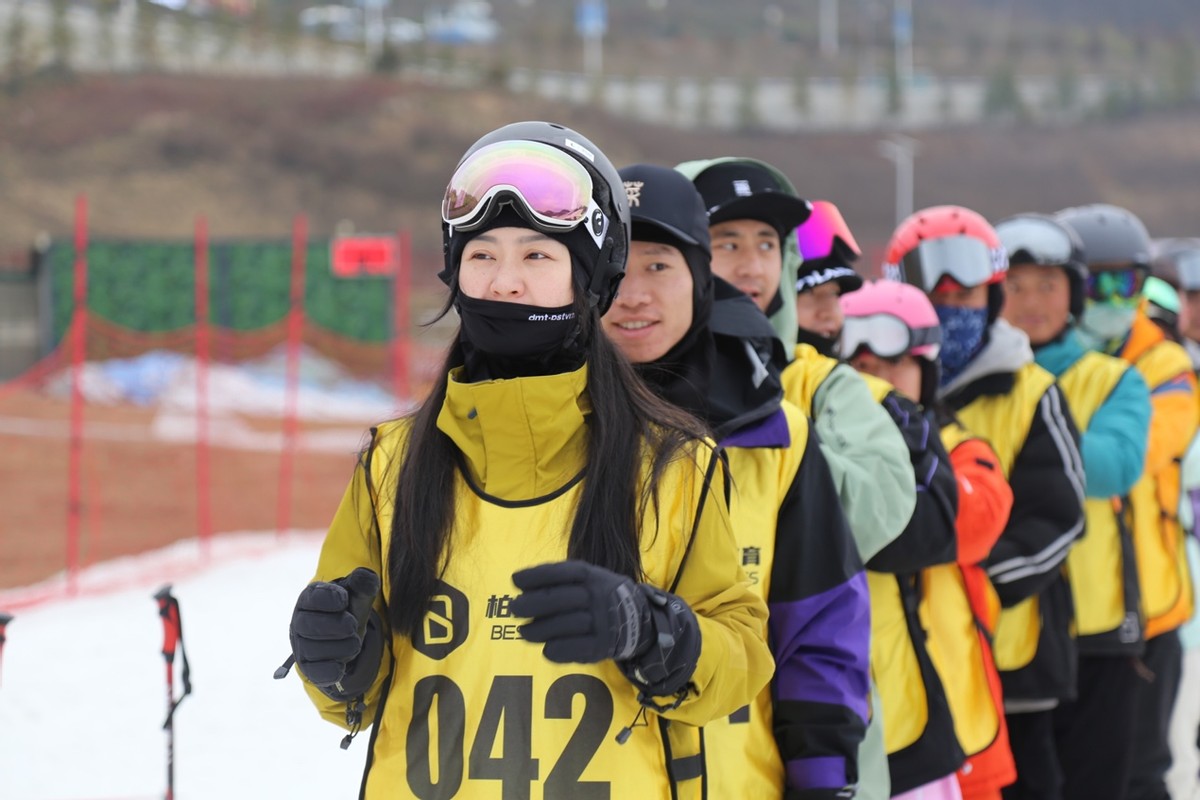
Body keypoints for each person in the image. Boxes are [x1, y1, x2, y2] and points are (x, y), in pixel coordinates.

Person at [281, 122, 774, 798]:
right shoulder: (393, 465)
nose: (504, 283)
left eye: (537, 257)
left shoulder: (672, 466)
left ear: (591, 277)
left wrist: (653, 630)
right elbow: (351, 698)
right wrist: (331, 658)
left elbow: (741, 658)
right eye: (482, 255)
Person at [604, 162, 871, 799]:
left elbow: (819, 625)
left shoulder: (777, 436)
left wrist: (823, 778)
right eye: (615, 268)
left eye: (659, 266)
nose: (633, 294)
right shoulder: (549, 425)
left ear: (700, 278)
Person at [675, 156, 917, 800]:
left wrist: (773, 445)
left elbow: (883, 505)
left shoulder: (818, 381)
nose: (751, 264)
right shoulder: (624, 386)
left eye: (767, 245)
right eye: (725, 242)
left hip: (807, 719)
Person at [885, 204, 1086, 800]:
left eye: (968, 297)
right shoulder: (878, 383)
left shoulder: (1029, 391)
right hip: (910, 653)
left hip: (1015, 651)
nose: (952, 312)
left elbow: (1057, 516)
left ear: (992, 301)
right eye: (935, 295)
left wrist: (983, 589)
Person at [841, 279, 1018, 800]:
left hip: (957, 719)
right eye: (862, 371)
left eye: (894, 367)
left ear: (926, 371)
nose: (878, 384)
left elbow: (971, 521)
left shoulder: (964, 451)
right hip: (868, 711)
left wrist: (918, 464)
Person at [996, 213, 1152, 800]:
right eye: (1016, 286)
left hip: (1097, 625)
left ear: (1074, 294)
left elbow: (1116, 465)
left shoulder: (1112, 379)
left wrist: (1032, 438)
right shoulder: (971, 380)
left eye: (1048, 286)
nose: (1032, 302)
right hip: (1010, 624)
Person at [1055, 203, 1199, 800]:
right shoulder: (1040, 354)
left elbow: (1132, 456)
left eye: (1129, 282)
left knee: (1138, 772)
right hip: (1059, 605)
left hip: (1146, 612)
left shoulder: (1166, 364)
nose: (1113, 296)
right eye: (1096, 282)